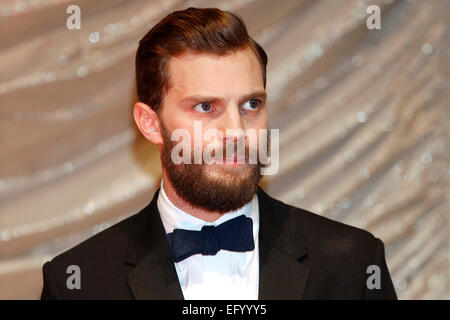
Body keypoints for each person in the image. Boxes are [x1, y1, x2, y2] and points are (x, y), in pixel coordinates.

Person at [40, 7, 397, 300]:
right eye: (206, 107)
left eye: (251, 104)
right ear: (150, 124)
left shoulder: (354, 263)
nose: (236, 133)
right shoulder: (80, 284)